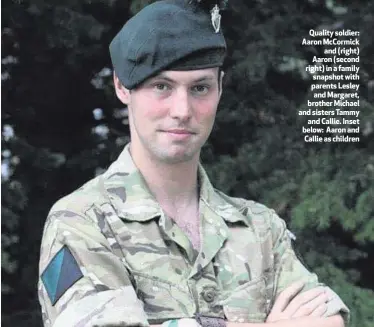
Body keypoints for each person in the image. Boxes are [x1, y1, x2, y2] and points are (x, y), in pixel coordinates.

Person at [38, 1, 350, 327]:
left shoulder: (260, 229)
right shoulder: (81, 222)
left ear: (220, 88)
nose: (182, 110)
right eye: (162, 86)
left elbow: (328, 321)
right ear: (122, 86)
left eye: (200, 88)